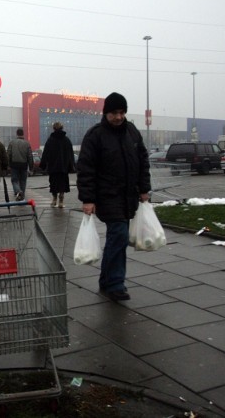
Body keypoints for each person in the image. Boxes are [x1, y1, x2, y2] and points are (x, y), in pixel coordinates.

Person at [77, 92, 151, 302]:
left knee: (117, 237)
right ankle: (116, 283)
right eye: (114, 113)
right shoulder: (95, 135)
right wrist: (88, 199)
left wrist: (144, 189)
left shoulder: (132, 132)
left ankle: (106, 278)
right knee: (118, 234)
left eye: (122, 112)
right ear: (106, 113)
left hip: (128, 195)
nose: (119, 117)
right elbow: (86, 169)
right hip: (106, 195)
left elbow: (142, 161)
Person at [40, 122, 75, 208]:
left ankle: (54, 199)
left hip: (53, 167)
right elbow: (71, 154)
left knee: (53, 184)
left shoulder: (50, 140)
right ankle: (61, 200)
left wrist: (43, 164)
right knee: (63, 184)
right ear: (62, 128)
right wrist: (72, 165)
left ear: (54, 128)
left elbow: (45, 153)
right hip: (64, 167)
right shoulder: (67, 140)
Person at [7, 128, 34, 201]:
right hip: (24, 165)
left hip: (14, 165)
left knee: (14, 180)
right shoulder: (27, 143)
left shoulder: (12, 142)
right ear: (23, 134)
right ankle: (22, 196)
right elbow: (30, 156)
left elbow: (8, 154)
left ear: (17, 134)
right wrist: (31, 167)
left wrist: (8, 165)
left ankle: (18, 191)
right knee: (23, 181)